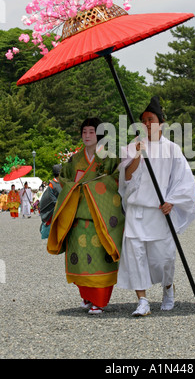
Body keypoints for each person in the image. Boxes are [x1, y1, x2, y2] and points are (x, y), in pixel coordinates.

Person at [117, 96, 195, 316]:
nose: (146, 124)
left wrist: (171, 200)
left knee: (163, 258)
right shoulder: (132, 146)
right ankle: (142, 300)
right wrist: (137, 154)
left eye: (150, 119)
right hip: (137, 211)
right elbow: (125, 178)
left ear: (161, 123)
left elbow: (184, 180)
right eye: (143, 120)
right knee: (136, 257)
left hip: (160, 213)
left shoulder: (172, 149)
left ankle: (168, 288)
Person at [47, 117, 124, 315]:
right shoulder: (74, 160)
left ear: (98, 135)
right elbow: (64, 180)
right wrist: (74, 186)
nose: (87, 136)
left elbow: (117, 180)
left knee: (100, 258)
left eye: (91, 132)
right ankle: (87, 298)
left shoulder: (109, 157)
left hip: (101, 217)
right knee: (80, 259)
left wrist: (93, 186)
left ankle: (100, 301)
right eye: (84, 132)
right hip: (77, 216)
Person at [39, 165, 62, 239]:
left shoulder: (62, 183)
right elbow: (52, 199)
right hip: (56, 209)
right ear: (59, 173)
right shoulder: (52, 185)